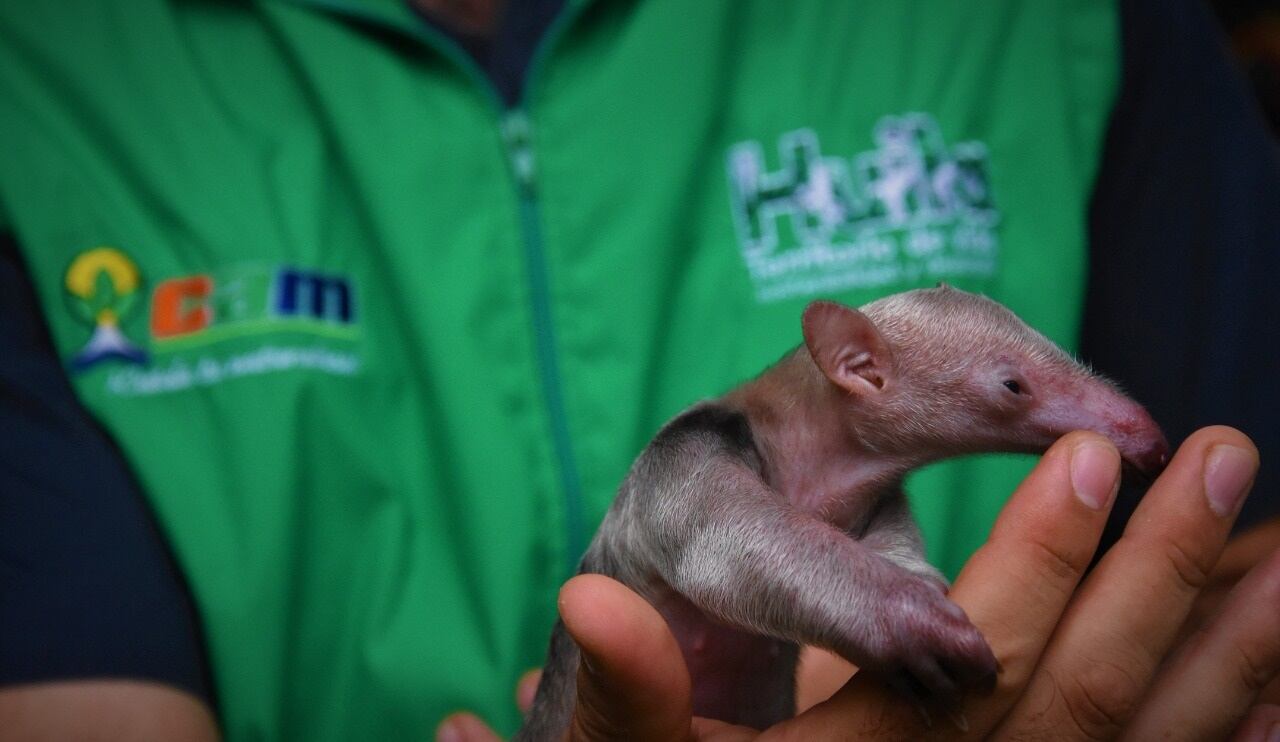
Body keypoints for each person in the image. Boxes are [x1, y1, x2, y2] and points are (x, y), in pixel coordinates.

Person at [0, 0, 1276, 739]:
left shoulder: (1059, 30)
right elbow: (739, 556)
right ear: (857, 371)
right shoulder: (48, 87)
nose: (1090, 413)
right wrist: (897, 620)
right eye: (1015, 390)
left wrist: (940, 642)